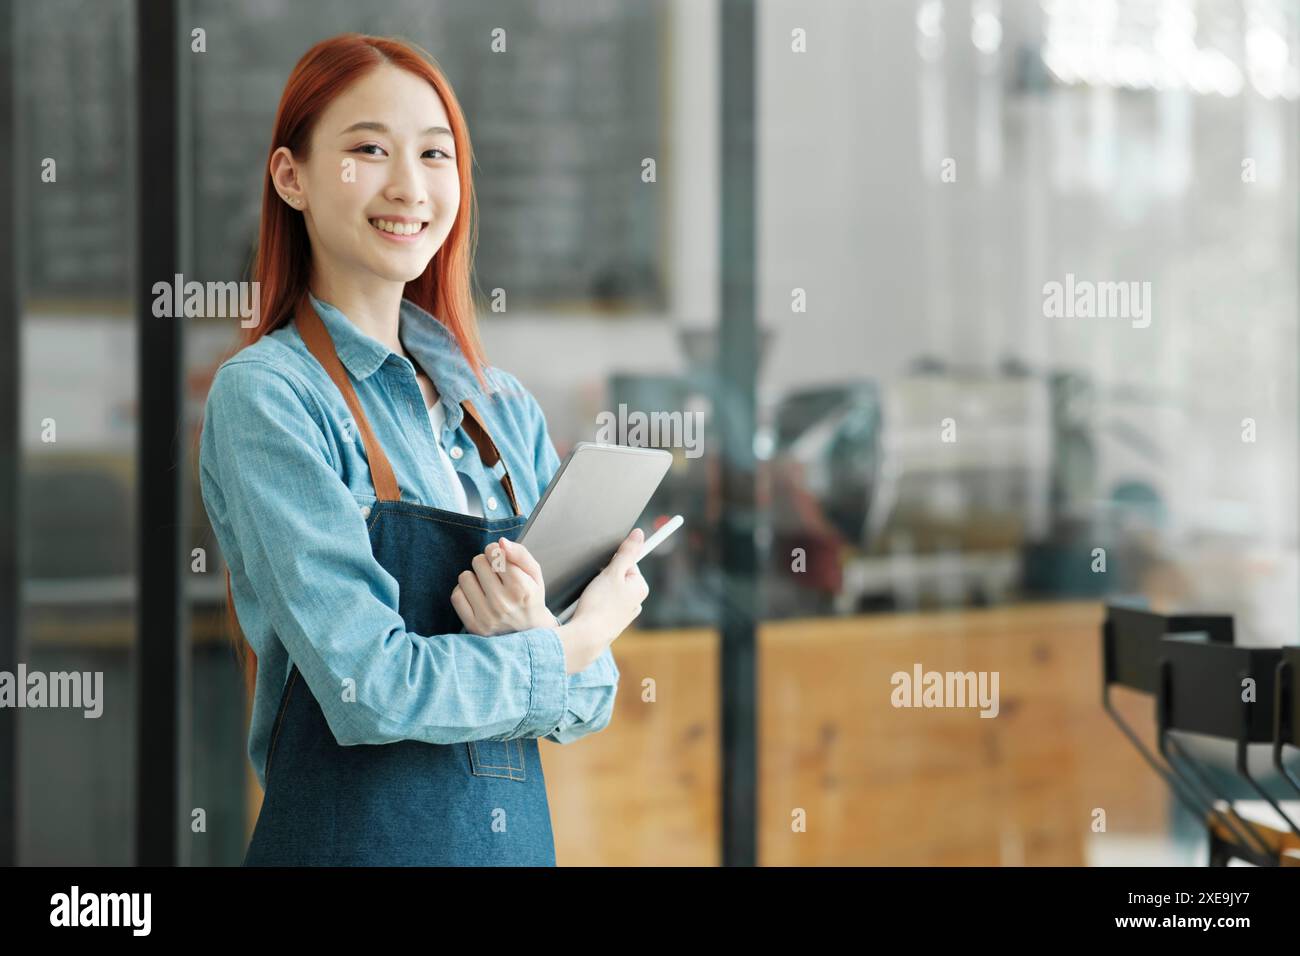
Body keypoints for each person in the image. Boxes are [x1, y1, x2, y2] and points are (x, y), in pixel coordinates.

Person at [197, 33, 649, 866]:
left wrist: (545, 648)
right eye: (369, 149)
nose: (409, 186)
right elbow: (372, 688)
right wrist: (563, 641)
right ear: (291, 176)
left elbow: (591, 702)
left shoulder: (500, 407)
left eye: (434, 154)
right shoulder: (270, 397)